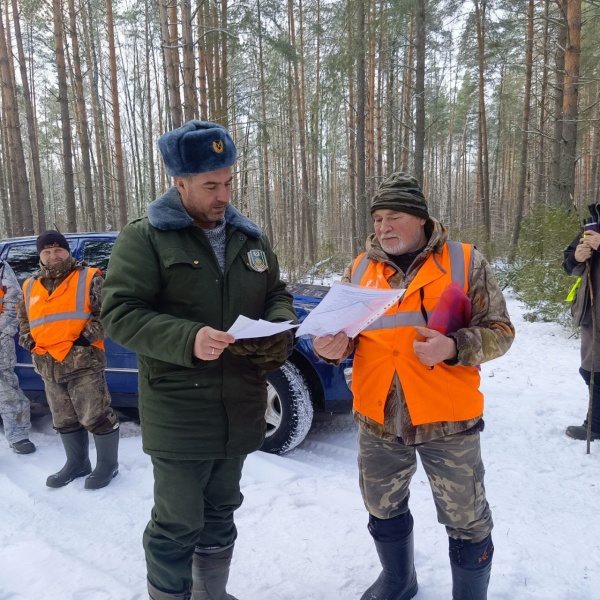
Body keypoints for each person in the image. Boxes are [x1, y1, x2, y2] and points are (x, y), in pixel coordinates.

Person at [100, 120, 297, 600]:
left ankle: (212, 593)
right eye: (211, 185)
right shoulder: (145, 238)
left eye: (228, 181)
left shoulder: (249, 238)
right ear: (179, 182)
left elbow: (276, 292)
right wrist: (188, 338)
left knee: (222, 510)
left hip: (240, 404)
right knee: (177, 522)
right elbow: (120, 314)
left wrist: (279, 325)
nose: (223, 194)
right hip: (179, 409)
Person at [313, 173, 514, 600]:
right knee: (381, 508)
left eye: (395, 216)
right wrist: (332, 347)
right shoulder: (359, 268)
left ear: (421, 218)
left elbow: (501, 331)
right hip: (378, 420)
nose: (383, 227)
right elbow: (344, 338)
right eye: (378, 217)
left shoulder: (464, 261)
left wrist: (453, 346)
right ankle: (398, 580)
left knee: (468, 519)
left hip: (448, 420)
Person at [17, 230, 120, 489]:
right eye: (47, 251)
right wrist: (28, 340)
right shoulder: (29, 285)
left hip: (83, 362)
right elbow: (24, 319)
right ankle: (77, 464)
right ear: (40, 255)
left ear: (67, 251)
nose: (53, 256)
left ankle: (108, 466)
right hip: (47, 363)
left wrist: (85, 340)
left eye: (58, 250)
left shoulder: (89, 277)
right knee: (63, 419)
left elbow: (106, 313)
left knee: (95, 416)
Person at [563, 227, 600, 441]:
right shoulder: (592, 226)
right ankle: (595, 424)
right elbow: (569, 265)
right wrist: (577, 257)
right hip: (593, 316)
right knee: (592, 370)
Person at [0, 259, 36, 454]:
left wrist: (4, 330)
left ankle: (18, 436)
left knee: (6, 390)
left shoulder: (1, 267)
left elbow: (14, 297)